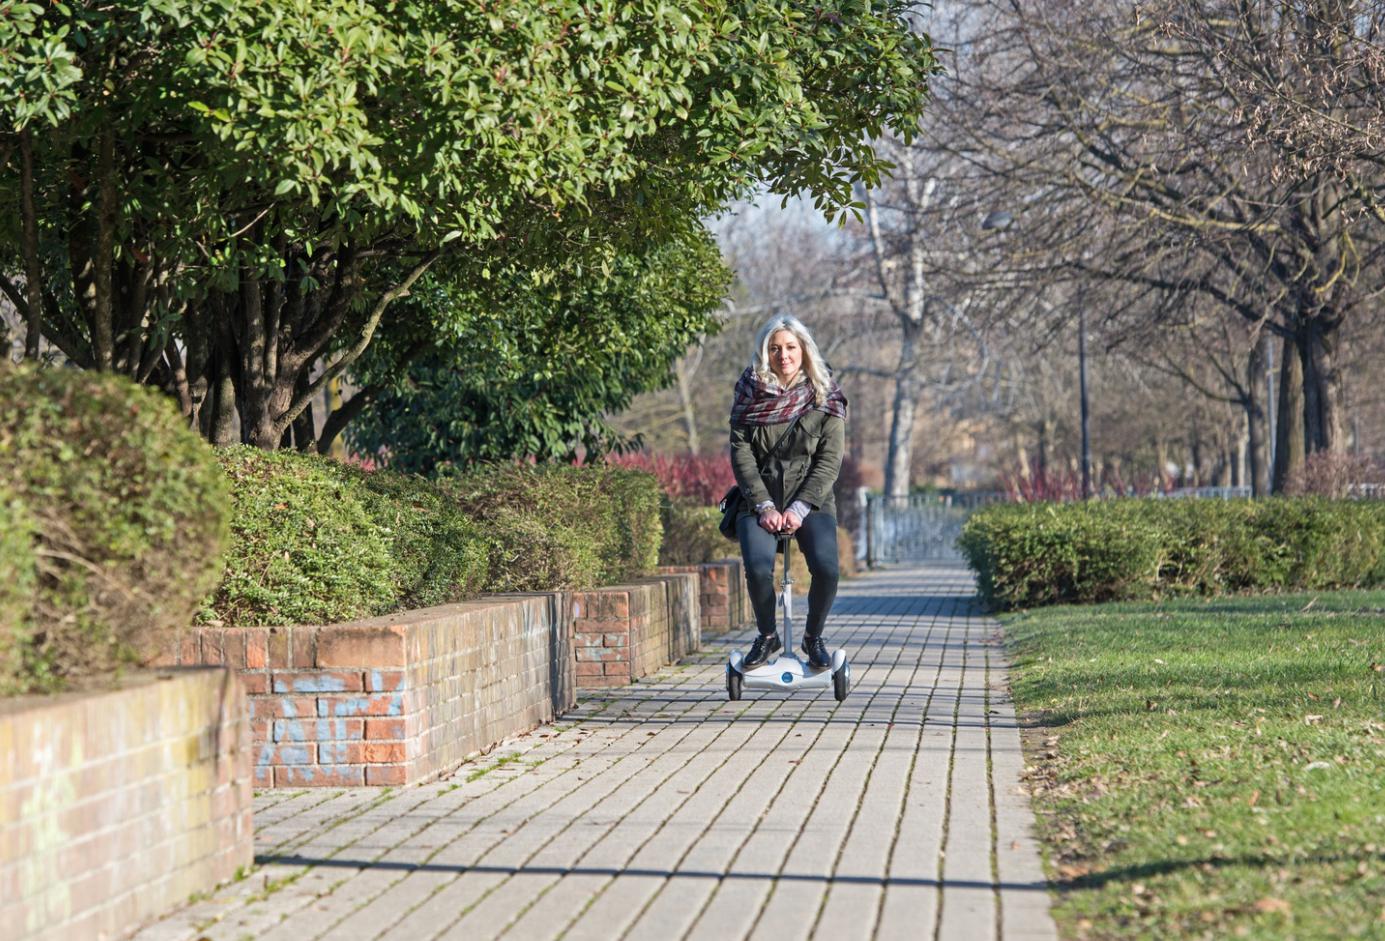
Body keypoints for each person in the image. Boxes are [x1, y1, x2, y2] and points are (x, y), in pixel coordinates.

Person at [729, 314, 848, 670]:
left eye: (791, 347)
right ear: (765, 352)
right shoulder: (748, 393)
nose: (784, 355)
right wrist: (763, 504)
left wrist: (799, 508)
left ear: (804, 350)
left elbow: (829, 460)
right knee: (757, 565)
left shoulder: (826, 396)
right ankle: (767, 636)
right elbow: (741, 452)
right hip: (758, 498)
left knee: (827, 568)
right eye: (775, 348)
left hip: (812, 499)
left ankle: (814, 637)